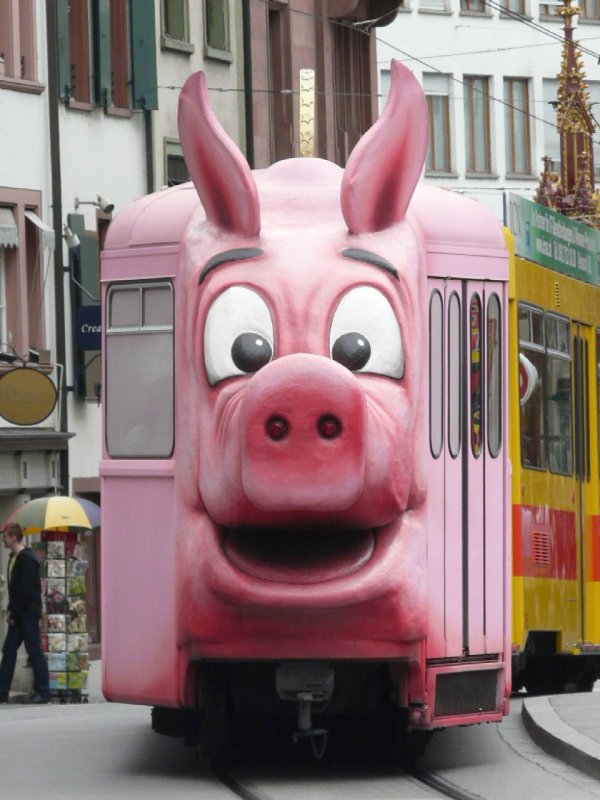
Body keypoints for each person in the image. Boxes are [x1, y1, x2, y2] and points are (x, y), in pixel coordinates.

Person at [0, 522, 50, 703]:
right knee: (9, 650)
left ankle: (44, 692)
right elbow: (16, 589)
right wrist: (13, 610)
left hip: (27, 613)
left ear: (13, 538)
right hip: (20, 613)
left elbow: (25, 590)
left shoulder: (26, 559)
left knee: (34, 650)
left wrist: (13, 612)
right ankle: (2, 692)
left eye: (5, 536)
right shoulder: (14, 558)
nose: (3, 539)